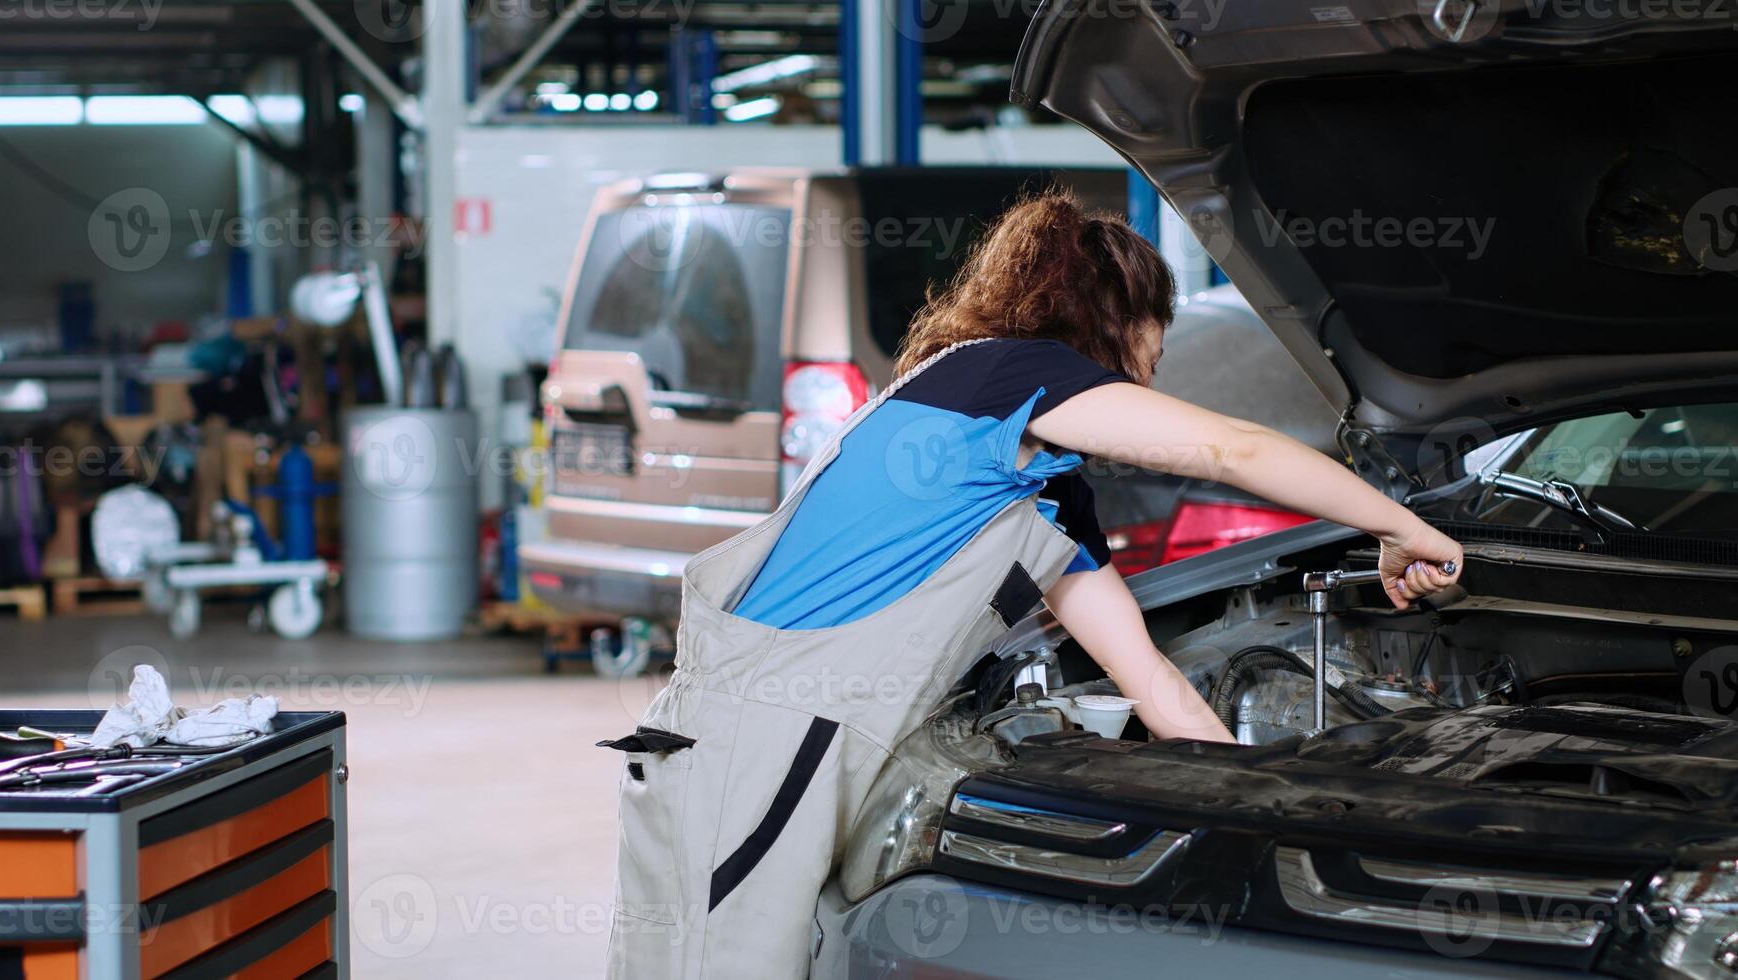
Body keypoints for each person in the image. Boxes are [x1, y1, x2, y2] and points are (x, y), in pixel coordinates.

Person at [602, 191, 1464, 978]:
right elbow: (1232, 449)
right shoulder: (997, 379)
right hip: (753, 740)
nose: (1155, 367)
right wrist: (1404, 528)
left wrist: (1271, 809)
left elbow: (1155, 685)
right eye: (1153, 335)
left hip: (805, 743)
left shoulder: (1045, 492)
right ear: (1116, 315)